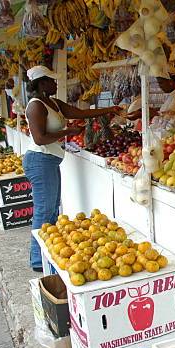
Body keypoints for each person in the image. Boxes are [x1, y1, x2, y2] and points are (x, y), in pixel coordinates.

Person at [23, 65, 121, 272]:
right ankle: (37, 260)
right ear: (41, 83)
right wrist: (67, 131)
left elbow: (81, 112)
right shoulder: (36, 106)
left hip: (49, 160)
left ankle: (47, 253)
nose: (55, 83)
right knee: (44, 210)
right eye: (51, 80)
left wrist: (110, 109)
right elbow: (39, 138)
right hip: (40, 160)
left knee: (51, 208)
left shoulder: (53, 103)